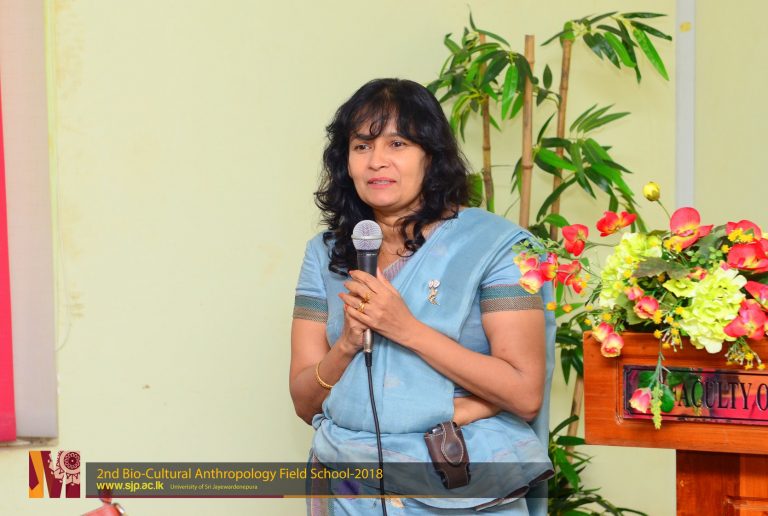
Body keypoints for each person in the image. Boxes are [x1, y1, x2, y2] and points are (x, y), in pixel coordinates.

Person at [289, 78, 555, 515]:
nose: (377, 160)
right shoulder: (325, 255)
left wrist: (405, 328)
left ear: (431, 156)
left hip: (460, 486)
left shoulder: (496, 246)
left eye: (397, 144)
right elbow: (304, 401)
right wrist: (347, 345)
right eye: (362, 146)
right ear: (346, 162)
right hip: (351, 491)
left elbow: (524, 394)